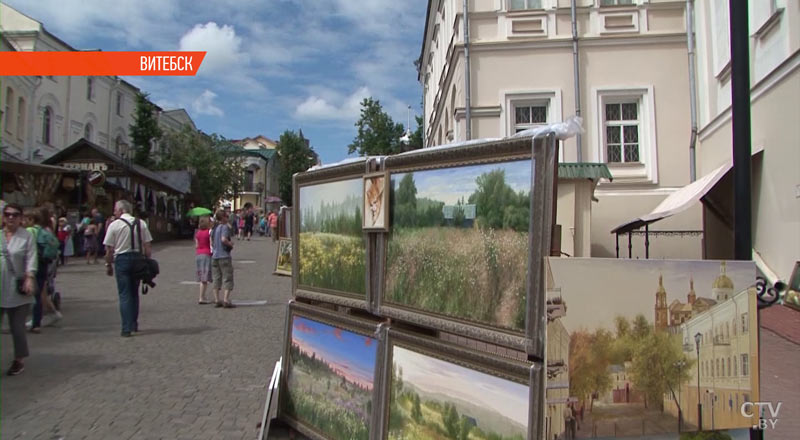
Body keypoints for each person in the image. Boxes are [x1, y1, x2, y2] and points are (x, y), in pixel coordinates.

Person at [103, 200, 153, 337]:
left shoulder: (114, 225)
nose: (114, 212)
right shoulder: (141, 223)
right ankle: (133, 323)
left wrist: (108, 264)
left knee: (124, 294)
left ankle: (126, 328)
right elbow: (147, 246)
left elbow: (109, 249)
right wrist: (148, 262)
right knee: (134, 292)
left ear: (121, 210)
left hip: (122, 259)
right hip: (137, 258)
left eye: (115, 209)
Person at [1, 203, 37, 375]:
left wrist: (29, 277)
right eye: (7, 214)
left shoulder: (26, 236)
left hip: (18, 287)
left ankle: (19, 360)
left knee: (17, 327)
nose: (10, 218)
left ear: (20, 218)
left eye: (15, 215)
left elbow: (31, 258)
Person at [23, 207, 61, 333]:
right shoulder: (44, 231)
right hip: (44, 263)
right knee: (39, 293)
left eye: (25, 219)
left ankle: (29, 321)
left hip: (34, 263)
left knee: (29, 294)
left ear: (31, 219)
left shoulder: (29, 231)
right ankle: (37, 323)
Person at [210, 209, 235, 308]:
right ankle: (226, 300)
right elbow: (223, 239)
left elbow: (211, 242)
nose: (227, 218)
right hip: (224, 255)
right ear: (224, 217)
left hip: (215, 256)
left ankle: (217, 299)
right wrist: (230, 244)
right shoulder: (224, 227)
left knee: (216, 278)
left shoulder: (214, 228)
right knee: (227, 277)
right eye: (226, 216)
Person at [195, 216, 213, 304]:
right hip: (207, 254)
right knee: (205, 278)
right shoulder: (208, 232)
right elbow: (211, 244)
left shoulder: (198, 233)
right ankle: (201, 297)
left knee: (201, 276)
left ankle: (203, 296)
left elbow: (196, 245)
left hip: (199, 254)